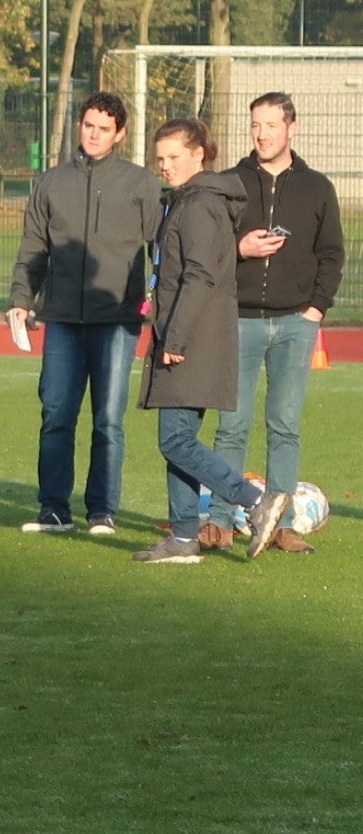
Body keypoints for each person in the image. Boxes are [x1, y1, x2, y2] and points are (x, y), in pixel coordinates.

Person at [134, 119, 291, 565]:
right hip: (185, 334)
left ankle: (255, 502)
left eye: (174, 157)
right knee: (178, 438)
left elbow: (200, 276)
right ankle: (184, 537)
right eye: (159, 158)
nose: (165, 165)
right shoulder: (186, 200)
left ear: (199, 154)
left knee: (175, 440)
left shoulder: (200, 204)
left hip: (191, 340)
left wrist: (176, 335)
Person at [7, 92, 164, 537]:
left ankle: (102, 511)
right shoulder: (51, 183)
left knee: (108, 421)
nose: (94, 135)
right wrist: (22, 297)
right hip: (61, 320)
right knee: (56, 415)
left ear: (120, 134)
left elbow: (162, 249)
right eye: (89, 125)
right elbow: (33, 248)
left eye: (104, 128)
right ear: (80, 125)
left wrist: (156, 301)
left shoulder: (141, 184)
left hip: (117, 321)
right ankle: (53, 509)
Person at [200, 92, 346, 554]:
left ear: (291, 128)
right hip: (238, 320)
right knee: (231, 426)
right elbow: (204, 247)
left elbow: (332, 254)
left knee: (284, 424)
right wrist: (238, 248)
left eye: (270, 125)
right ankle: (219, 521)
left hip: (295, 323)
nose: (261, 134)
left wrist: (315, 309)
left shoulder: (317, 188)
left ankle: (280, 525)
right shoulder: (230, 183)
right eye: (255, 125)